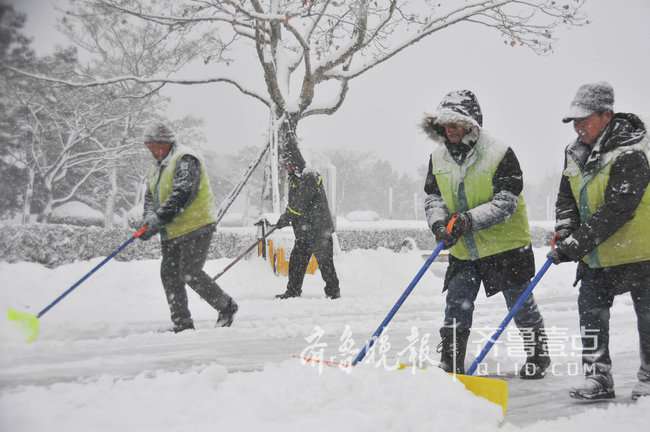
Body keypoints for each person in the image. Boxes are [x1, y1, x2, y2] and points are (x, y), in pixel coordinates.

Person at [422, 90, 550, 378]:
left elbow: (506, 201)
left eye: (456, 123)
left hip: (505, 245)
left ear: (472, 124)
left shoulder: (499, 153)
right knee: (456, 305)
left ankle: (538, 355)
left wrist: (468, 220)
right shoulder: (438, 157)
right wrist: (439, 224)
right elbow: (433, 197)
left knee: (520, 306)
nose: (450, 130)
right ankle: (450, 362)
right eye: (446, 124)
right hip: (464, 249)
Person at [548, 82, 650, 401]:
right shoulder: (574, 152)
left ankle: (649, 377)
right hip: (596, 254)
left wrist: (576, 244)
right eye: (574, 122)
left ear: (606, 115)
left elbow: (618, 208)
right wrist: (566, 230)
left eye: (584, 120)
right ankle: (598, 377)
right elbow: (567, 197)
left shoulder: (632, 151)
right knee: (591, 311)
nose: (578, 127)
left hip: (641, 251)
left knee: (647, 315)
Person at [139, 122, 238, 332]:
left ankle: (226, 306)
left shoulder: (185, 159)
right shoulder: (156, 168)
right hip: (172, 230)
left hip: (196, 225)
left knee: (189, 272)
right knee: (169, 274)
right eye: (149, 147)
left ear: (166, 143)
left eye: (154, 146)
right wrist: (149, 220)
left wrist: (159, 219)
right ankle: (182, 323)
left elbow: (182, 193)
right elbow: (150, 197)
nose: (152, 151)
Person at [273, 139, 341, 300]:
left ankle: (333, 292)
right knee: (296, 262)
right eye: (284, 164)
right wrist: (287, 216)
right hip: (304, 230)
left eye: (287, 163)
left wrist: (286, 217)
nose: (285, 167)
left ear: (294, 162)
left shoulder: (310, 175)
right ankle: (293, 290)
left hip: (319, 229)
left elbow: (300, 203)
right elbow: (293, 204)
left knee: (325, 263)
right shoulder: (294, 178)